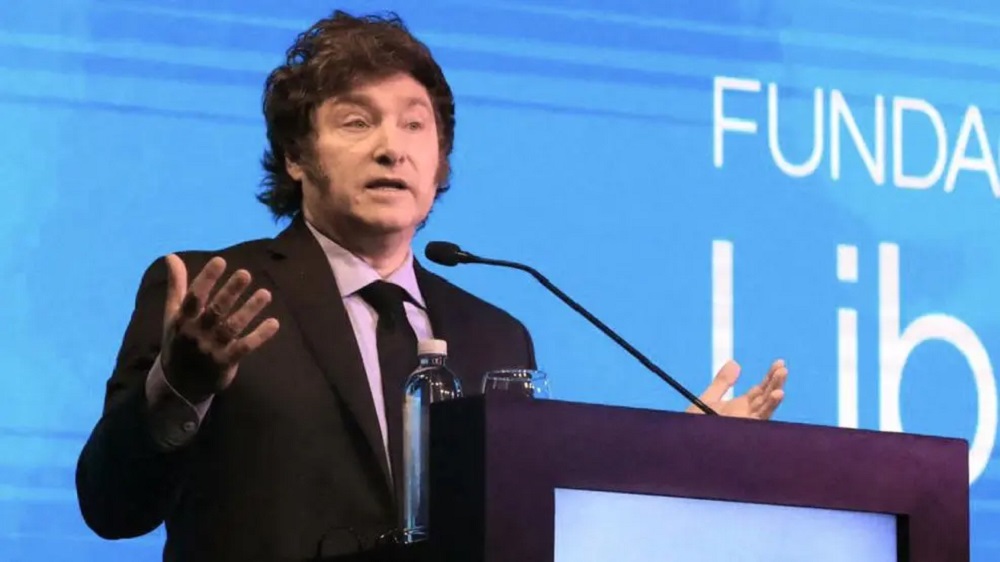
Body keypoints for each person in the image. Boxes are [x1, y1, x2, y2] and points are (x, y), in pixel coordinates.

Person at [75, 9, 788, 562]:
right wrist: (181, 388)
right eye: (357, 122)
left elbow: (530, 518)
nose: (392, 147)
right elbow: (113, 508)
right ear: (296, 154)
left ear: (440, 159)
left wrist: (677, 456)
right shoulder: (216, 296)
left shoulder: (496, 336)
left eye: (415, 126)